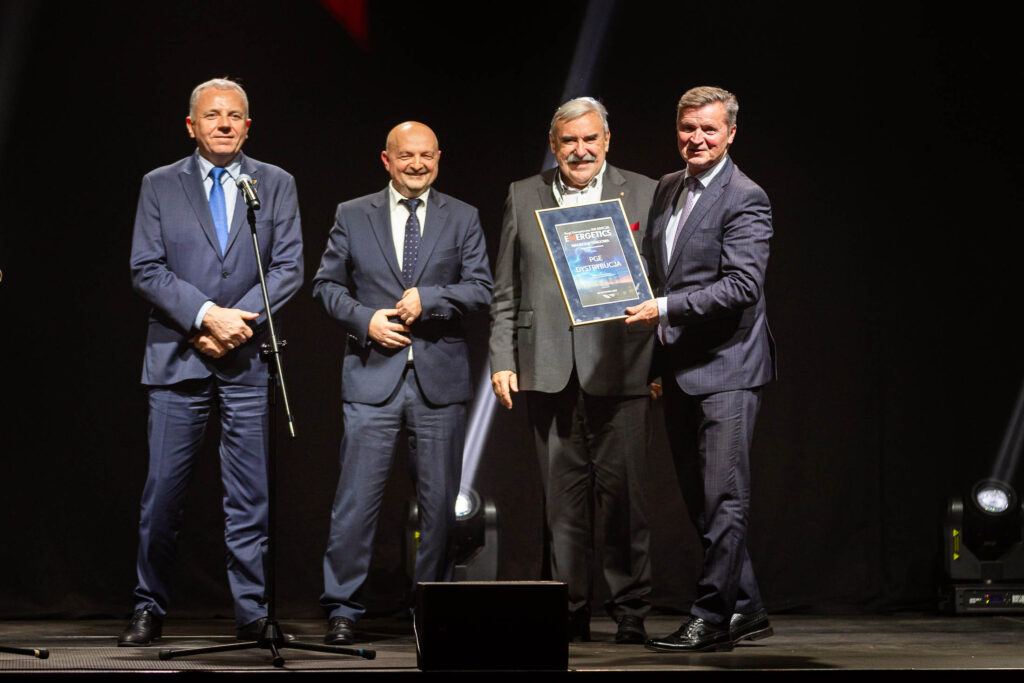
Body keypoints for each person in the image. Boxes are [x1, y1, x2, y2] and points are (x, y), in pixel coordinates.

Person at [119, 78, 304, 646]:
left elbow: (288, 268)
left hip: (246, 358)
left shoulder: (275, 183)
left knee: (250, 497)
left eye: (234, 116)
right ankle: (148, 607)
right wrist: (205, 316)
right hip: (178, 356)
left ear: (248, 126)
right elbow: (146, 267)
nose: (223, 124)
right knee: (163, 494)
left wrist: (235, 324)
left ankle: (253, 613)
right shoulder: (159, 184)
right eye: (212, 115)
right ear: (191, 126)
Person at [313, 121, 492, 645]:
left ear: (439, 158)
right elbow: (325, 286)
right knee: (355, 502)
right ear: (386, 159)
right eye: (406, 156)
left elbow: (481, 288)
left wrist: (431, 298)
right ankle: (343, 608)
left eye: (426, 156)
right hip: (372, 376)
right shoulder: (353, 213)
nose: (417, 165)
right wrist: (365, 319)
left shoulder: (462, 215)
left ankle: (429, 608)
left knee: (439, 508)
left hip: (440, 380)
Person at [489, 97, 656, 643]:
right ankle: (570, 609)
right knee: (561, 504)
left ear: (607, 141)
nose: (580, 150)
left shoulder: (647, 192)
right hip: (547, 366)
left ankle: (630, 611)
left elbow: (663, 282)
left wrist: (660, 363)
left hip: (623, 367)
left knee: (625, 500)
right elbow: (506, 289)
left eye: (590, 139)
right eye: (569, 141)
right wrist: (502, 358)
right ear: (553, 144)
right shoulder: (523, 194)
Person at [625, 86, 777, 652]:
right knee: (700, 502)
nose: (697, 139)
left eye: (709, 129)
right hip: (679, 367)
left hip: (728, 368)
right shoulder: (669, 187)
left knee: (723, 500)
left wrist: (664, 309)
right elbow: (656, 269)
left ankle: (712, 618)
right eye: (688, 128)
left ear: (731, 134)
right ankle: (747, 608)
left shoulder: (746, 196)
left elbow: (742, 286)